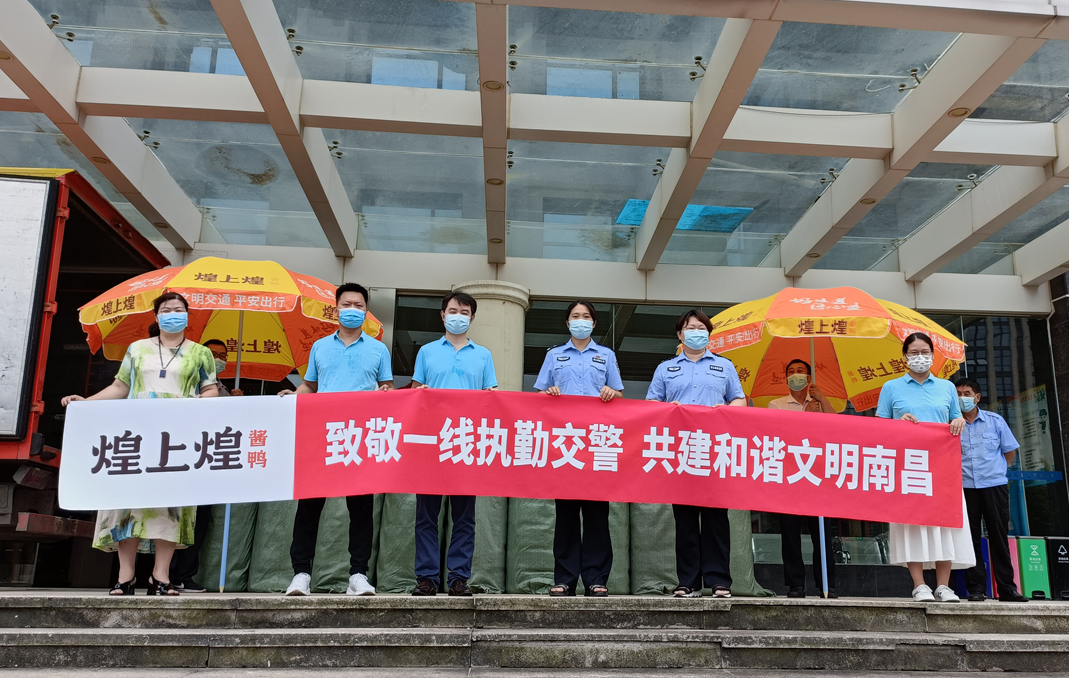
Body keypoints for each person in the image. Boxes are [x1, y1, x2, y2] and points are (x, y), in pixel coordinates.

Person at [61, 292, 218, 596]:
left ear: (188, 315)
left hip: (178, 436)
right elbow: (121, 386)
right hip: (138, 432)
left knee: (171, 503)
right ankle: (126, 576)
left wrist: (200, 402)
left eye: (179, 309)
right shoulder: (137, 348)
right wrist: (86, 402)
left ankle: (160, 577)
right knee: (128, 502)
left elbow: (209, 388)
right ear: (156, 316)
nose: (173, 314)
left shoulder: (201, 353)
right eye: (167, 310)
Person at [278, 283, 394, 597]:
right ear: (336, 309)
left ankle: (358, 575)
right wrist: (293, 395)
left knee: (361, 509)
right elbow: (310, 386)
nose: (352, 310)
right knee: (309, 506)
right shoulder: (319, 346)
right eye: (346, 304)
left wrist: (386, 393)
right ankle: (301, 574)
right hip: (323, 434)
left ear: (365, 311)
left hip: (359, 436)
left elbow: (386, 387)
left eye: (358, 305)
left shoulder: (378, 350)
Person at [646, 310, 746, 598]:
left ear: (709, 334)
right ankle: (687, 581)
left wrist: (726, 410)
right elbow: (651, 405)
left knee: (716, 518)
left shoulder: (724, 366)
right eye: (690, 328)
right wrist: (669, 410)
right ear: (680, 334)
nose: (696, 332)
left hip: (715, 450)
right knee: (686, 519)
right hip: (680, 451)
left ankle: (719, 581)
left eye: (702, 328)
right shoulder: (665, 368)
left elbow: (739, 400)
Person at [410, 291, 498, 597]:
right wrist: (419, 391)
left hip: (466, 442)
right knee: (426, 515)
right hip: (431, 442)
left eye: (464, 312)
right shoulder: (427, 352)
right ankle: (426, 578)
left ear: (472, 318)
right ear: (442, 315)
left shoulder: (483, 355)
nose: (457, 316)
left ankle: (459, 577)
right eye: (452, 310)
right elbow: (415, 391)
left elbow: (490, 397)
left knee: (464, 516)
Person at [534, 301, 624, 597]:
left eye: (586, 317)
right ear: (567, 322)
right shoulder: (554, 355)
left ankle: (596, 578)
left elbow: (619, 394)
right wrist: (549, 393)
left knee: (597, 515)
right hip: (566, 444)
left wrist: (612, 392)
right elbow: (540, 395)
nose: (580, 320)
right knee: (567, 515)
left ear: (594, 323)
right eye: (575, 316)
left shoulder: (606, 355)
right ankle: (565, 579)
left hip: (598, 444)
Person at [876, 332, 973, 602]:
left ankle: (943, 586)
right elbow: (879, 427)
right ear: (904, 357)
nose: (920, 357)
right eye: (914, 353)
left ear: (933, 355)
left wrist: (959, 422)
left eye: (925, 352)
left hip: (943, 465)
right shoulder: (891, 387)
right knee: (912, 523)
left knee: (945, 522)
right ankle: (919, 585)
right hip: (908, 465)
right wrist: (898, 424)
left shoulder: (946, 387)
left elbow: (955, 419)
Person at [167, 338, 243, 593]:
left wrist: (237, 403)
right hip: (183, 457)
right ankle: (165, 574)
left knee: (200, 521)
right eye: (214, 354)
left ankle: (184, 575)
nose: (219, 359)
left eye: (223, 355)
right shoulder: (186, 380)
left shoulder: (223, 389)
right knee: (176, 517)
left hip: (210, 461)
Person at [767, 359, 838, 598]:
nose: (795, 375)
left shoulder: (820, 402)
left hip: (818, 475)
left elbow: (839, 429)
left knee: (822, 534)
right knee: (790, 533)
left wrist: (823, 399)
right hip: (790, 475)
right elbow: (779, 437)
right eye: (791, 372)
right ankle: (795, 584)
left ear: (809, 378)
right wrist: (805, 416)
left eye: (800, 372)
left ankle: (827, 584)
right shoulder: (776, 405)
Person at [955, 378, 1030, 603]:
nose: (962, 398)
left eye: (966, 393)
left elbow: (1009, 452)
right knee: (970, 538)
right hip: (965, 488)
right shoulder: (952, 424)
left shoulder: (995, 421)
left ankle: (1007, 589)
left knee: (999, 536)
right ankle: (976, 589)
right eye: (958, 394)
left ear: (977, 397)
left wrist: (995, 472)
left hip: (994, 487)